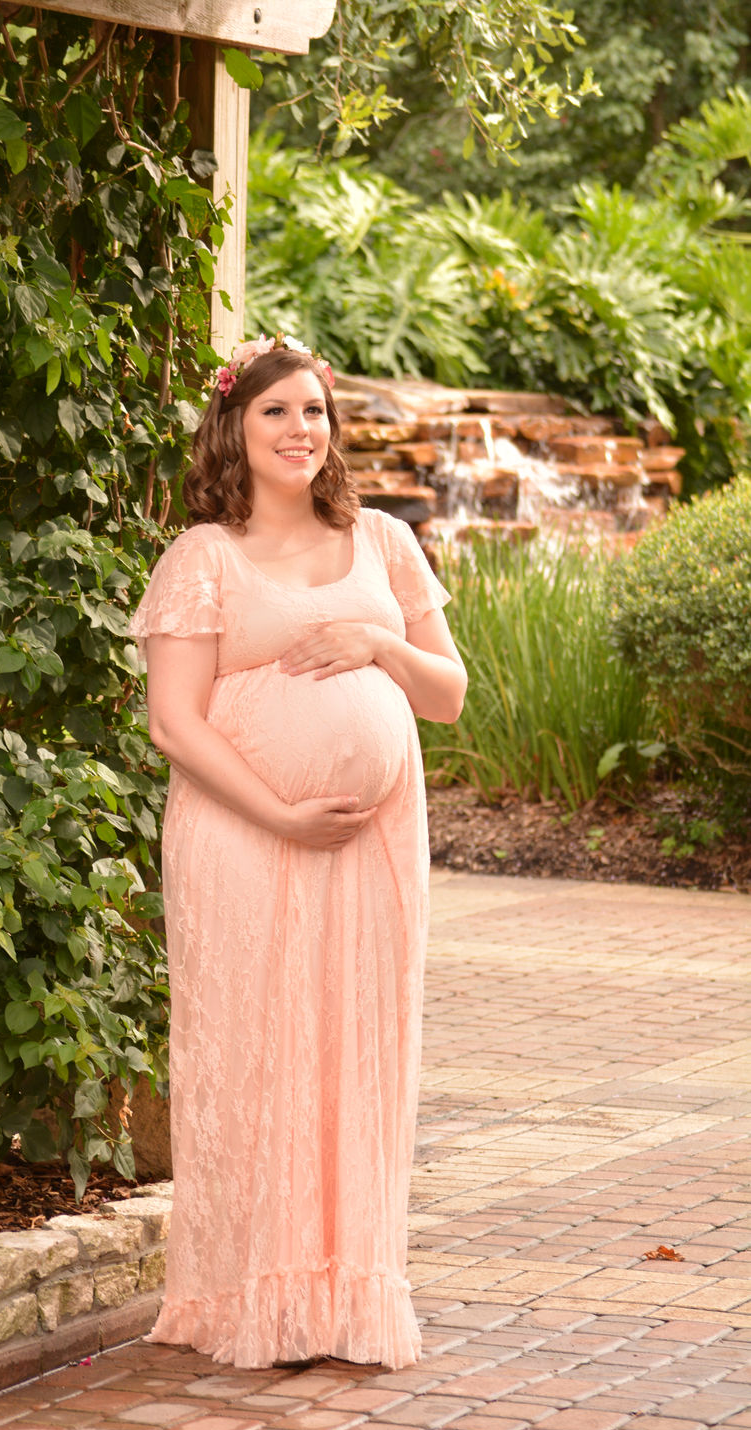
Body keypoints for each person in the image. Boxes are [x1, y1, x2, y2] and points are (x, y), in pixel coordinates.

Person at [128, 332, 467, 1370]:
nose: (298, 429)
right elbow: (173, 723)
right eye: (274, 411)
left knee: (356, 1055)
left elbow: (448, 696)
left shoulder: (383, 543)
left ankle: (341, 1296)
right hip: (242, 839)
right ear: (233, 427)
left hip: (370, 852)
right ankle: (249, 1301)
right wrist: (278, 812)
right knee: (255, 1052)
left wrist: (378, 644)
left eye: (314, 410)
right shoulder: (202, 557)